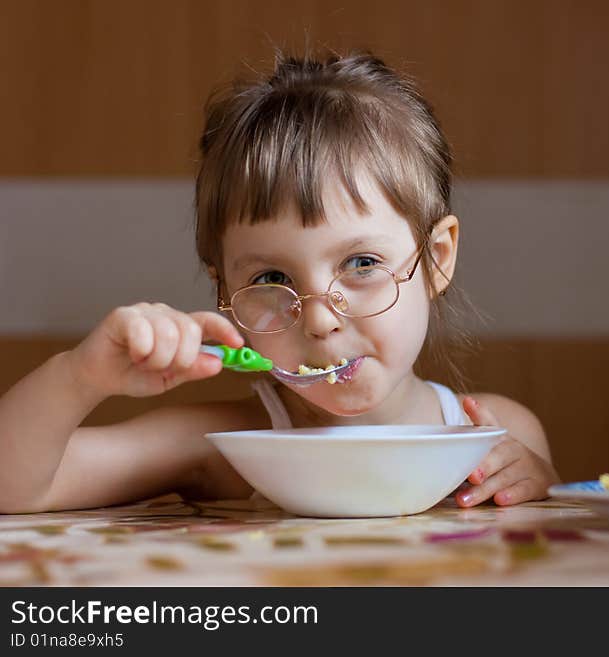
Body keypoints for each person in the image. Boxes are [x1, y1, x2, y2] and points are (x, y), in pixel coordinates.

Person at [0, 51, 559, 514]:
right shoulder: (225, 449)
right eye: (271, 277)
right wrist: (80, 376)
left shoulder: (493, 432)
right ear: (225, 295)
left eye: (362, 263)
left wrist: (531, 480)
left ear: (435, 259)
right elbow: (17, 489)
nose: (318, 318)